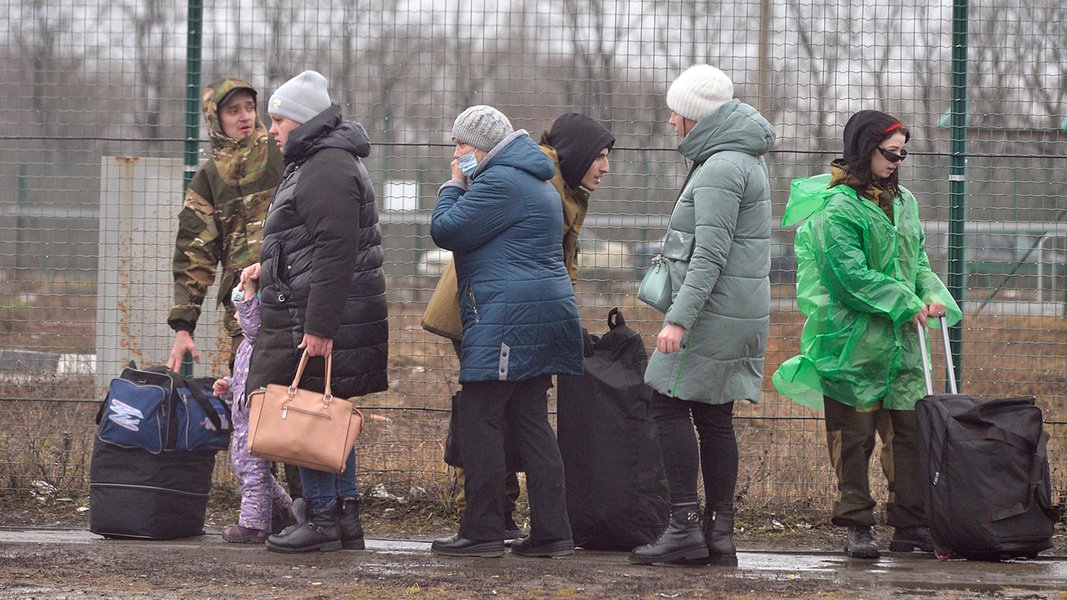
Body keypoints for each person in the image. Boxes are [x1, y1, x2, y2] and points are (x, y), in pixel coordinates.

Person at [772, 109, 962, 560]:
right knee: (852, 437)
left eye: (902, 154)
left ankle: (911, 524)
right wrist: (905, 301)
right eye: (889, 153)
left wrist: (930, 295)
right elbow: (848, 278)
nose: (897, 161)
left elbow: (917, 263)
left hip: (904, 344)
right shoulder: (837, 210)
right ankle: (857, 524)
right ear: (864, 149)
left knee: (910, 434)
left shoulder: (906, 203)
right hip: (852, 343)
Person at [420, 112, 615, 541]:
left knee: (481, 416)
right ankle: (551, 531)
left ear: (484, 147)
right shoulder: (535, 179)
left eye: (461, 147)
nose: (456, 156)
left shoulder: (501, 182)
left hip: (506, 319)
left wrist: (453, 183)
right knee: (529, 419)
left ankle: (483, 529)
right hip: (534, 315)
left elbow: (445, 229)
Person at [629, 65, 776, 567]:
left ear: (695, 117)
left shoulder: (718, 169)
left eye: (677, 112)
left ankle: (684, 527)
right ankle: (720, 533)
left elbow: (710, 255)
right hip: (741, 309)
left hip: (710, 311)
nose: (671, 121)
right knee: (715, 417)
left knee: (665, 401)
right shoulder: (746, 161)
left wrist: (678, 319)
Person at [242, 70, 389, 553]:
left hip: (317, 314)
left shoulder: (324, 167)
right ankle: (344, 519)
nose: (271, 129)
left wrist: (320, 327)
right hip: (313, 306)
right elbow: (310, 242)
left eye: (278, 119)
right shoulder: (322, 161)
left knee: (306, 412)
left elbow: (335, 251)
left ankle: (322, 518)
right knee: (327, 413)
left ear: (302, 120)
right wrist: (270, 266)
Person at [166, 78, 285, 372]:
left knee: (299, 398)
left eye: (249, 107)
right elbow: (194, 254)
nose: (244, 116)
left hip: (294, 297)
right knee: (250, 395)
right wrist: (184, 326)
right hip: (245, 308)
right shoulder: (209, 180)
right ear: (215, 119)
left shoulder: (282, 154)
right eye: (233, 110)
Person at [212, 279, 293, 543]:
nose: (237, 315)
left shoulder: (259, 337)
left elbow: (250, 316)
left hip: (255, 417)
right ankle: (286, 508)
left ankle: (254, 524)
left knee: (252, 469)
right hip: (244, 417)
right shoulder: (247, 345)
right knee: (249, 468)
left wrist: (248, 287)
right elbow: (246, 375)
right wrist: (230, 383)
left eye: (241, 309)